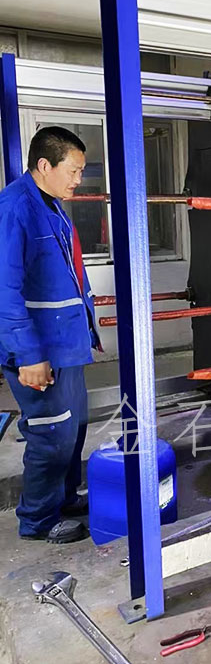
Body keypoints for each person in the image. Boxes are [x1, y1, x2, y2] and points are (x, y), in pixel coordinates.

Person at [0, 127, 101, 543]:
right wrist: (27, 355)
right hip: (39, 350)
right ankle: (38, 519)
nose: (79, 179)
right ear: (45, 165)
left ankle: (63, 498)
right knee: (51, 434)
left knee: (73, 427)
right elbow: (4, 291)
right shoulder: (15, 209)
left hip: (65, 346)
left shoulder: (51, 205)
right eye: (73, 170)